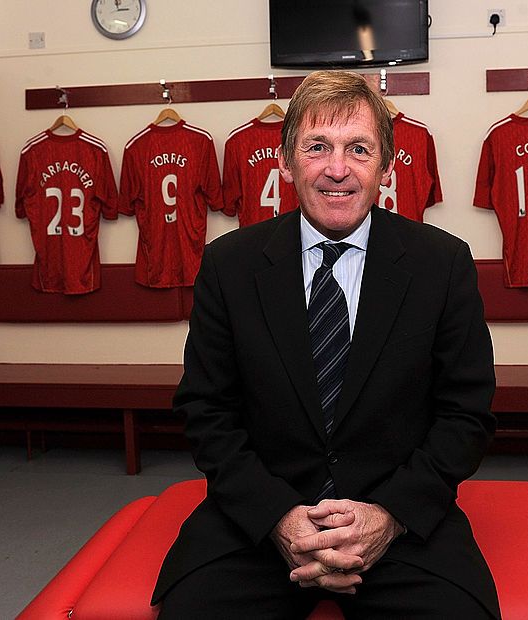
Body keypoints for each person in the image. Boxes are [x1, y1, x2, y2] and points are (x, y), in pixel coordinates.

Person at [152, 70, 500, 619]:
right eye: (318, 147)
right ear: (287, 162)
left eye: (358, 149)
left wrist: (389, 516)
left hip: (397, 521)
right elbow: (206, 410)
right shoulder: (230, 265)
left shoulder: (443, 264)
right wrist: (278, 518)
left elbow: (467, 414)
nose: (338, 169)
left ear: (386, 166)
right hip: (259, 520)